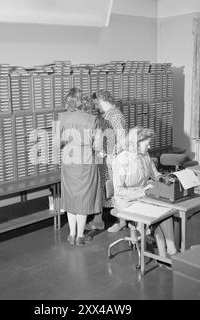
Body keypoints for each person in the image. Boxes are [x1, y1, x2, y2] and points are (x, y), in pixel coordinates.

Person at [112, 127, 178, 258]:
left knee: (165, 210)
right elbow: (119, 190)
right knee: (155, 215)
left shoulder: (145, 155)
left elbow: (155, 174)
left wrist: (164, 179)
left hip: (144, 196)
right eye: (147, 143)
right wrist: (142, 192)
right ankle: (165, 254)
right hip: (127, 200)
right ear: (136, 143)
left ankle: (170, 250)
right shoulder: (121, 160)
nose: (149, 146)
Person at [58, 88, 102, 246]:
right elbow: (97, 146)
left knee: (71, 197)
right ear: (82, 101)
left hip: (69, 162)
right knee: (83, 198)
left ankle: (71, 234)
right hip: (86, 162)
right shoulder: (92, 119)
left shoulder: (61, 118)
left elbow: (57, 144)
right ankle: (80, 236)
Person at [87, 90, 127, 232]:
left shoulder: (116, 116)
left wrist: (108, 152)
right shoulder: (105, 115)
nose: (95, 107)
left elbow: (122, 141)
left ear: (101, 100)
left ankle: (121, 221)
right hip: (103, 158)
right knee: (105, 189)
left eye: (96, 104)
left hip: (112, 159)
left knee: (116, 190)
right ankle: (101, 220)